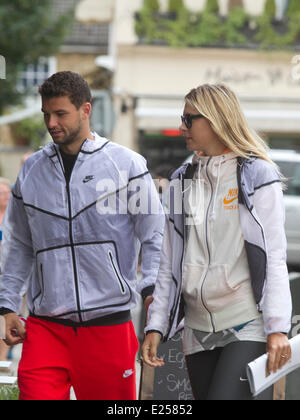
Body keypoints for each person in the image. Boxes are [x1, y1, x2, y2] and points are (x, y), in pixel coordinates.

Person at [0, 71, 164, 400]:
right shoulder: (32, 170)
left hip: (108, 326)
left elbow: (154, 236)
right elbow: (19, 242)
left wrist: (152, 292)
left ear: (85, 110)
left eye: (61, 113)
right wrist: (6, 304)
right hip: (46, 327)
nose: (51, 122)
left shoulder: (128, 165)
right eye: (47, 113)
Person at [142, 84, 292, 401]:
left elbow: (274, 257)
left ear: (214, 119)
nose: (182, 127)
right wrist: (155, 325)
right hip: (195, 330)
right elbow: (168, 262)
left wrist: (277, 328)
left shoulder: (257, 175)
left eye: (189, 119)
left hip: (246, 323)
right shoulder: (181, 181)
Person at [0, 178, 12, 366]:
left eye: (7, 193)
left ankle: (1, 359)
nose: (6, 197)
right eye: (2, 194)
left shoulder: (15, 216)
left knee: (8, 319)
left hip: (11, 276)